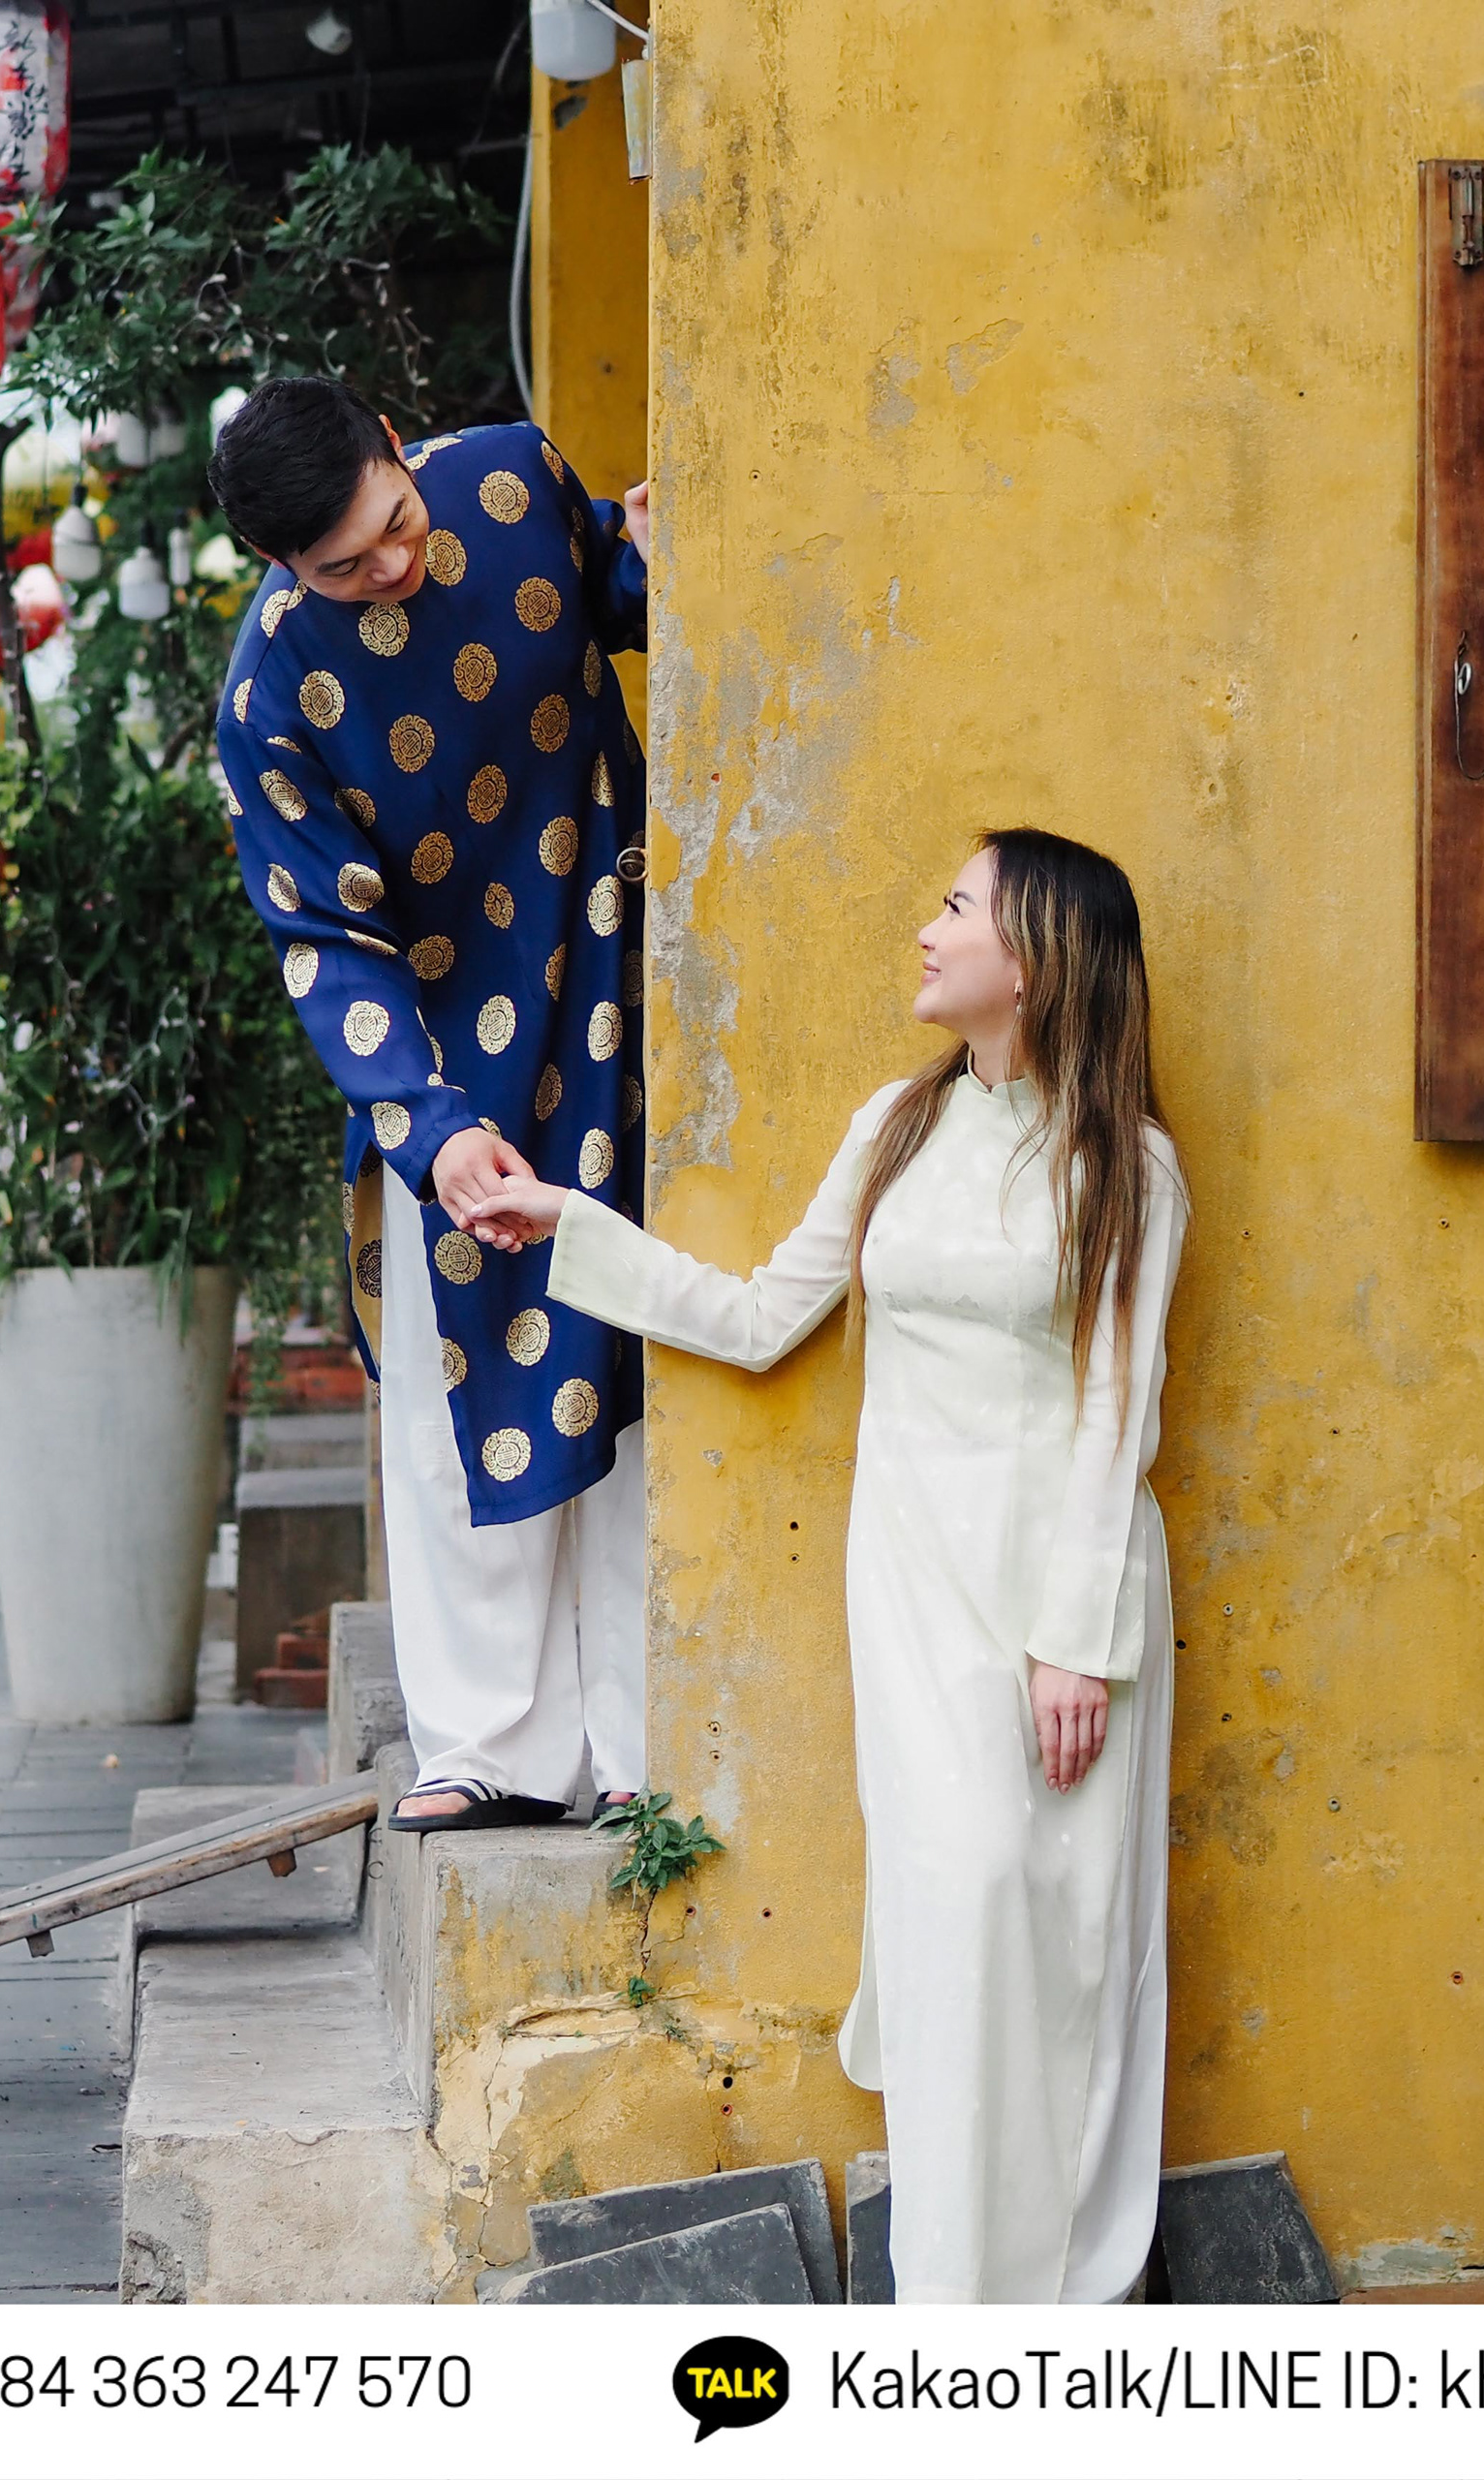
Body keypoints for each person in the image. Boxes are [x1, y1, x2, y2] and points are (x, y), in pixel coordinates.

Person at [475, 829, 1187, 2306]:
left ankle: (1055, 2296)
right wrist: (569, 1229)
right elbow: (754, 1317)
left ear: (1038, 956)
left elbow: (1121, 1412)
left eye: (956, 905)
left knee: (1056, 1927)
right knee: (955, 1898)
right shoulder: (899, 1127)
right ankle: (948, 2301)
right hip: (914, 1568)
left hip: (1061, 1580)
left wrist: (1077, 1641)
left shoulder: (1132, 1167)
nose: (926, 932)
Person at [206, 376, 658, 1831]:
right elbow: (322, 937)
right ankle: (490, 1748)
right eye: (344, 565)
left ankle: (652, 1739)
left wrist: (672, 542)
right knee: (466, 1366)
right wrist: (430, 1118)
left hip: (618, 965)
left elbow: (630, 591)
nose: (390, 566)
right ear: (282, 570)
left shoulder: (515, 479)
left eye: (393, 526)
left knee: (644, 1356)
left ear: (402, 449)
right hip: (449, 1050)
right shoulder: (270, 699)